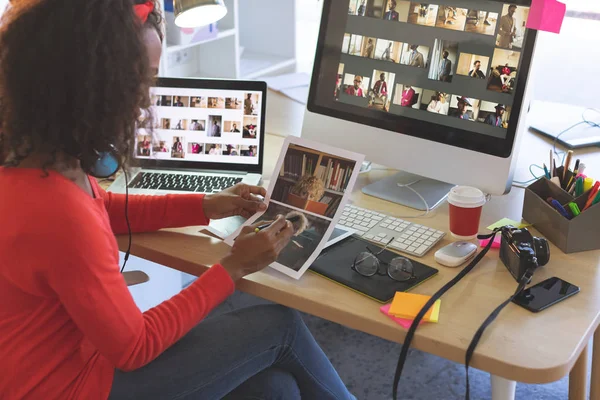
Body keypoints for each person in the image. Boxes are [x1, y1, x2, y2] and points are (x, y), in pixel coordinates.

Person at [0, 1, 356, 399]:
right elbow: (135, 347)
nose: (147, 100)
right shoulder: (57, 212)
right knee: (280, 327)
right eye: (144, 80)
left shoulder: (35, 161)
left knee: (275, 389)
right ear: (91, 85)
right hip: (75, 387)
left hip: (52, 367)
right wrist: (234, 266)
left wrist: (203, 205)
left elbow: (107, 209)